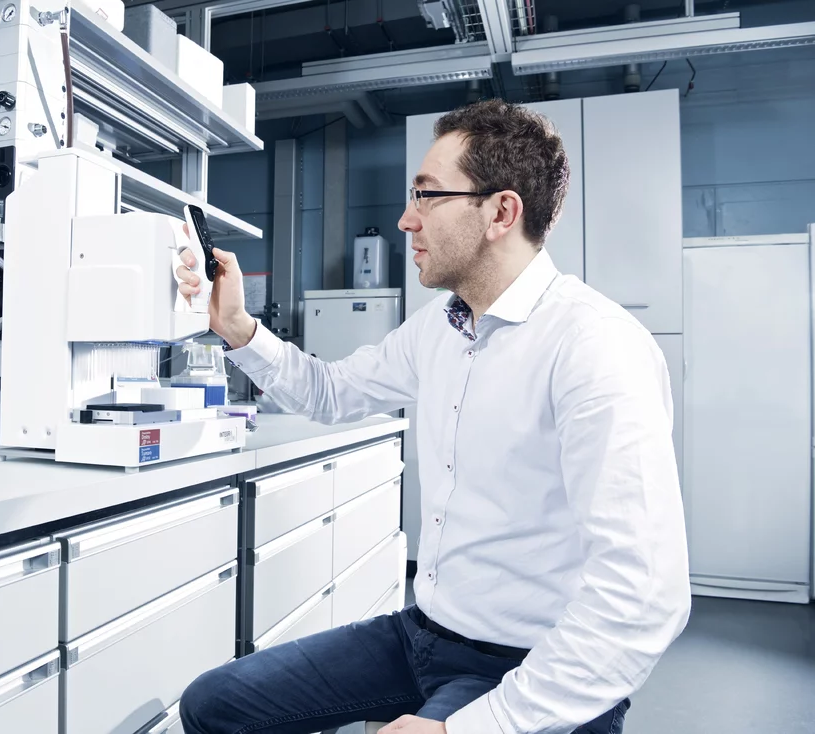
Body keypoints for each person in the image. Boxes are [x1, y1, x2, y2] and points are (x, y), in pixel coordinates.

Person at [173, 99, 691, 734]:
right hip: (421, 634)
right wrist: (238, 329)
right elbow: (331, 392)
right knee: (213, 705)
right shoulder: (439, 328)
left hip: (529, 667)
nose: (404, 219)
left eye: (426, 196)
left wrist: (461, 729)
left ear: (501, 212)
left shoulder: (594, 346)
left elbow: (642, 598)